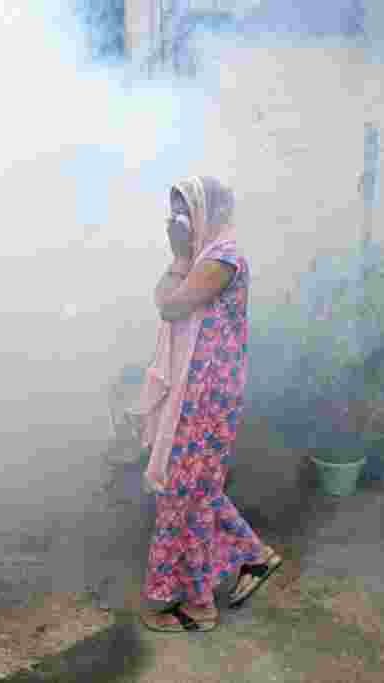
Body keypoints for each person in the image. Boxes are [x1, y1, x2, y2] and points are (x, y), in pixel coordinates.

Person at [132, 176, 282, 633]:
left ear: (206, 211)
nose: (176, 221)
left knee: (186, 490)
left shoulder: (223, 258)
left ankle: (199, 605)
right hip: (193, 391)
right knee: (194, 490)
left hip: (209, 395)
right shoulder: (199, 259)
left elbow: (173, 307)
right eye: (172, 211)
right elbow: (162, 297)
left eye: (184, 211)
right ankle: (251, 560)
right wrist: (179, 256)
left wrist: (179, 257)